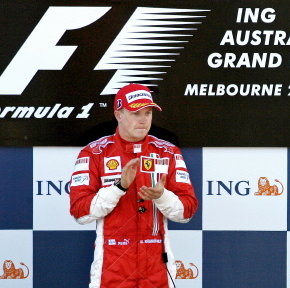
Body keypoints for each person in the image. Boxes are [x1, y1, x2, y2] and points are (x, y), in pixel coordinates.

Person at [69, 83, 198, 288]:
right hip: (111, 270)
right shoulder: (93, 153)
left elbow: (187, 212)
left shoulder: (168, 152)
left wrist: (161, 195)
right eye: (136, 112)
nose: (143, 119)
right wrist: (119, 188)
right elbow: (80, 213)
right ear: (118, 114)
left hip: (158, 271)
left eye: (148, 113)